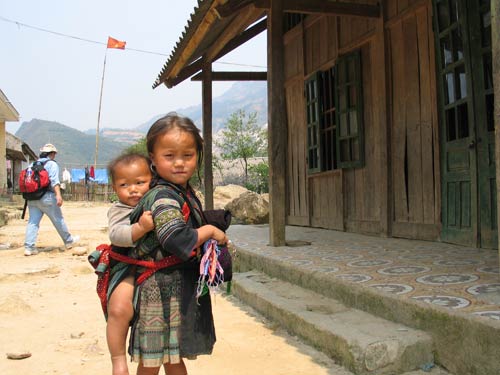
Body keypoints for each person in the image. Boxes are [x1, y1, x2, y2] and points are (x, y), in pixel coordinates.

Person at [128, 113, 229, 375]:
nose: (180, 163)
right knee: (152, 361)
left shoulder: (181, 192)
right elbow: (177, 238)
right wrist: (209, 230)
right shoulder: (164, 196)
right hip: (158, 291)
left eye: (188, 155)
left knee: (172, 357)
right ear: (152, 157)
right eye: (169, 156)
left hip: (171, 288)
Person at [106, 153, 154, 375]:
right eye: (124, 185)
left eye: (140, 182)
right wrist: (140, 228)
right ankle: (118, 360)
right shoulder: (119, 210)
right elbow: (117, 234)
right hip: (128, 267)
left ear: (152, 180)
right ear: (115, 188)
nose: (133, 189)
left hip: (154, 268)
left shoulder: (158, 202)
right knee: (118, 309)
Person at [23, 143, 79, 256]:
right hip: (47, 197)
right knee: (58, 219)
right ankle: (68, 241)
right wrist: (58, 195)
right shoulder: (52, 164)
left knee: (33, 222)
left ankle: (29, 247)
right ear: (52, 154)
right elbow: (54, 181)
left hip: (32, 198)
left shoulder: (32, 164)